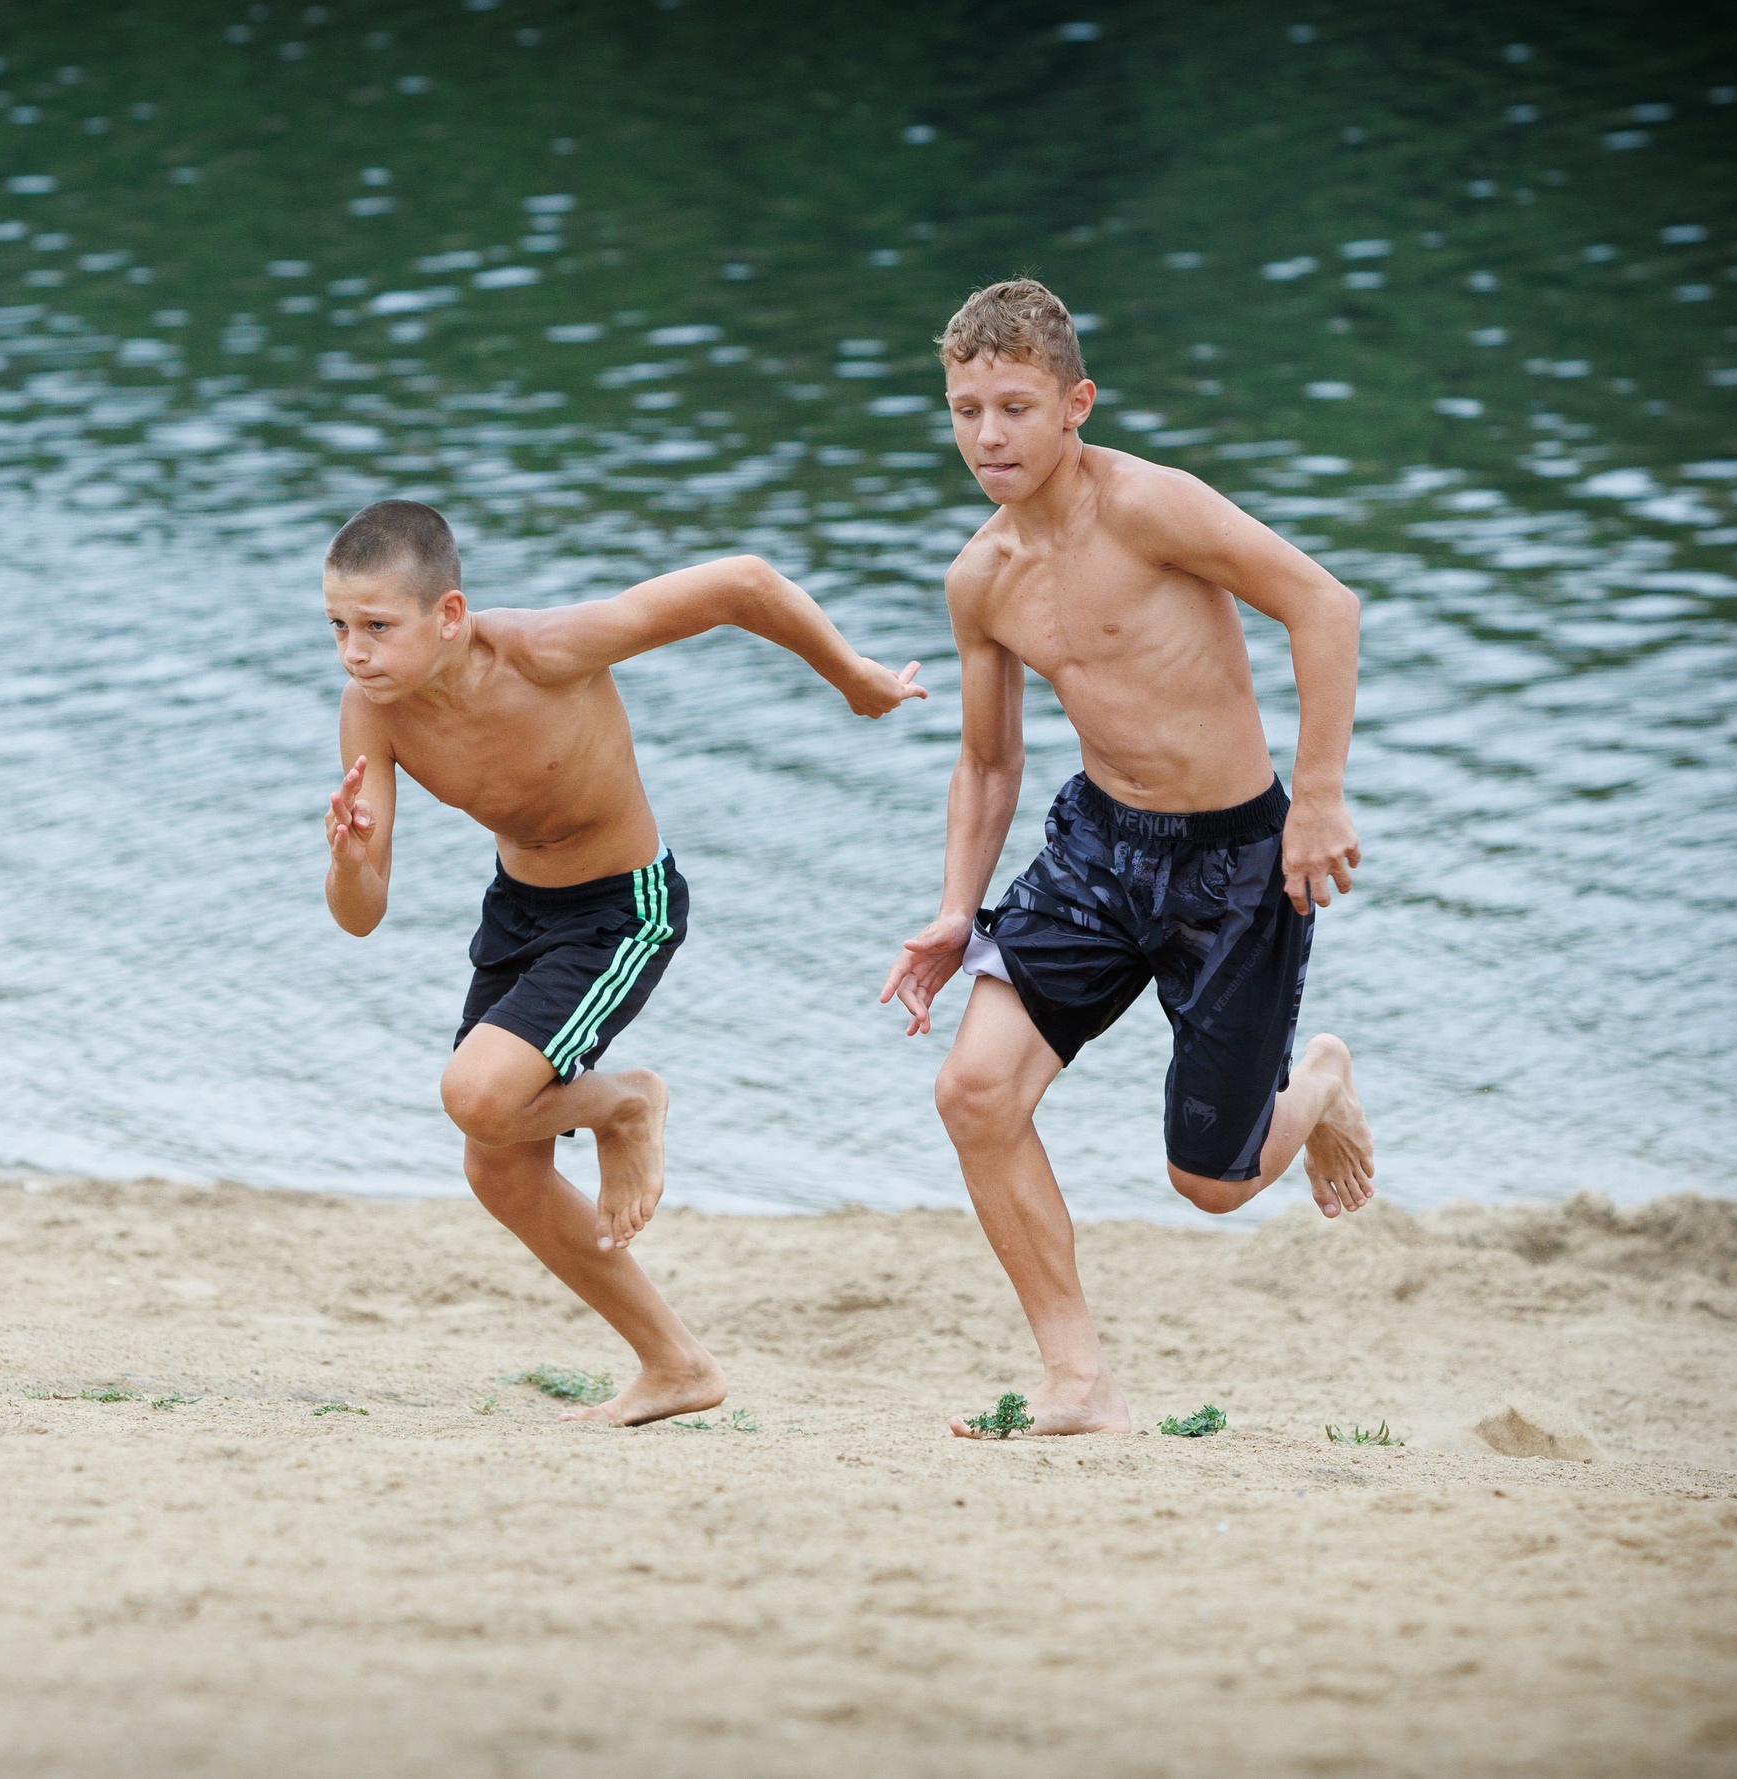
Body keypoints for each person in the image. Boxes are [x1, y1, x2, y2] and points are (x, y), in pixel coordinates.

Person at [878, 279, 1377, 1439]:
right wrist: (958, 910)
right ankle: (1079, 1380)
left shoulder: (1152, 508)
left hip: (1237, 866)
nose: (988, 436)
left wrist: (1317, 799)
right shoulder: (980, 578)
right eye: (965, 410)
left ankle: (1323, 1085)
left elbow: (1324, 606)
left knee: (1210, 1184)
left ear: (1075, 405)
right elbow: (989, 762)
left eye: (1014, 407)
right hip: (1097, 851)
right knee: (972, 1091)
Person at [322, 499, 925, 1425]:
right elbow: (361, 919)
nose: (355, 653)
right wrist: (350, 860)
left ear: (449, 616)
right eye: (338, 628)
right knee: (499, 1167)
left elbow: (740, 583)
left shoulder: (545, 651)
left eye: (376, 627)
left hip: (621, 909)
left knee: (477, 1098)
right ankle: (676, 1364)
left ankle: (628, 1100)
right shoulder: (376, 713)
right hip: (520, 910)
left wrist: (850, 676)